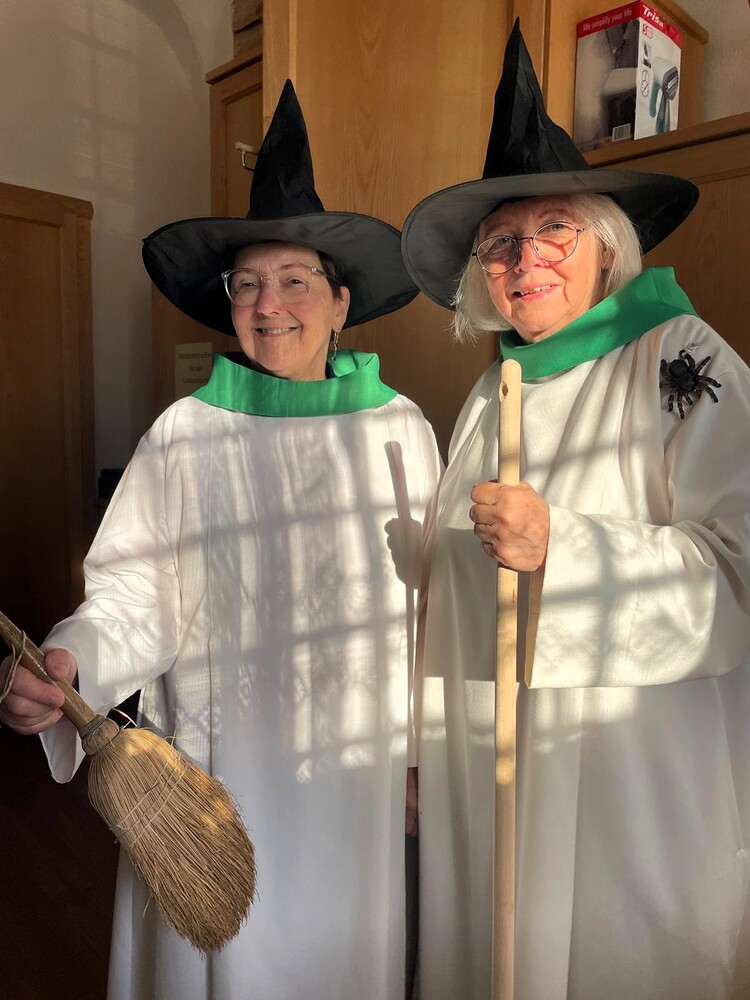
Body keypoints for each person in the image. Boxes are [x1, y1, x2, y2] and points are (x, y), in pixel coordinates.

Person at [0, 81, 441, 1000]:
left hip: (354, 777)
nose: (269, 303)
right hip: (214, 770)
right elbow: (134, 592)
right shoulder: (186, 434)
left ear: (341, 302)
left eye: (295, 280)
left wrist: (420, 758)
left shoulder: (400, 429)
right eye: (247, 283)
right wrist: (73, 660)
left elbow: (428, 612)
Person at [400, 21, 750, 1000]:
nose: (527, 258)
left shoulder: (680, 359)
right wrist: (421, 752)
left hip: (623, 780)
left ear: (606, 245)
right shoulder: (489, 393)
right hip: (483, 776)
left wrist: (569, 548)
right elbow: (450, 601)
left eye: (555, 228)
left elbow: (739, 568)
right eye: (501, 242)